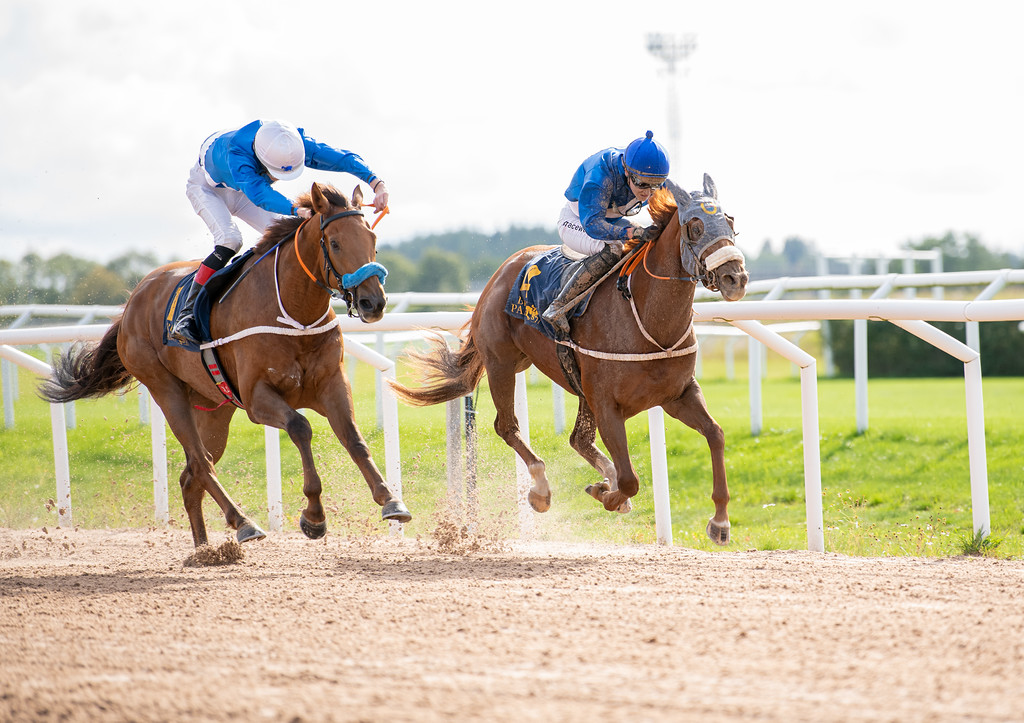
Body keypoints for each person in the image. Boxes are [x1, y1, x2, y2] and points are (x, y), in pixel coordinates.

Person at [170, 119, 389, 345]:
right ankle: (188, 313)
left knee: (286, 238)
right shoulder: (238, 156)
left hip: (244, 188)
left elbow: (341, 158)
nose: (276, 179)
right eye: (274, 173)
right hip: (208, 189)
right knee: (230, 239)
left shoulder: (292, 143)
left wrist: (375, 182)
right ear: (263, 160)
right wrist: (296, 209)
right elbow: (260, 195)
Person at [541, 130, 670, 336]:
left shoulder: (648, 174)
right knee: (614, 248)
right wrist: (630, 232)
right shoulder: (601, 176)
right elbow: (593, 225)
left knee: (646, 242)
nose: (647, 192)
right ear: (627, 171)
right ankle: (558, 307)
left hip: (610, 218)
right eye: (642, 183)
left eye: (655, 185)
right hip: (578, 221)